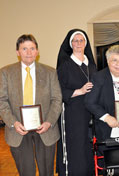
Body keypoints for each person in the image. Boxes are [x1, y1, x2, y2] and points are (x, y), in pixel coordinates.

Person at [0, 34, 62, 176]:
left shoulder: (50, 72)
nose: (29, 52)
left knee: (47, 171)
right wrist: (13, 123)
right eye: (24, 49)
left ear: (37, 51)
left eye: (32, 48)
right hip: (18, 129)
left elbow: (57, 99)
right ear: (18, 52)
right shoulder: (5, 73)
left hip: (45, 129)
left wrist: (49, 122)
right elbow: (1, 100)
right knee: (26, 171)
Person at [56, 29, 97, 175]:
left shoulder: (91, 65)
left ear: (86, 43)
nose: (79, 43)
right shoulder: (65, 65)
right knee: (76, 148)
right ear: (71, 44)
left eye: (81, 40)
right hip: (72, 113)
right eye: (75, 40)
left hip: (90, 113)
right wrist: (79, 91)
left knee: (88, 146)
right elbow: (58, 91)